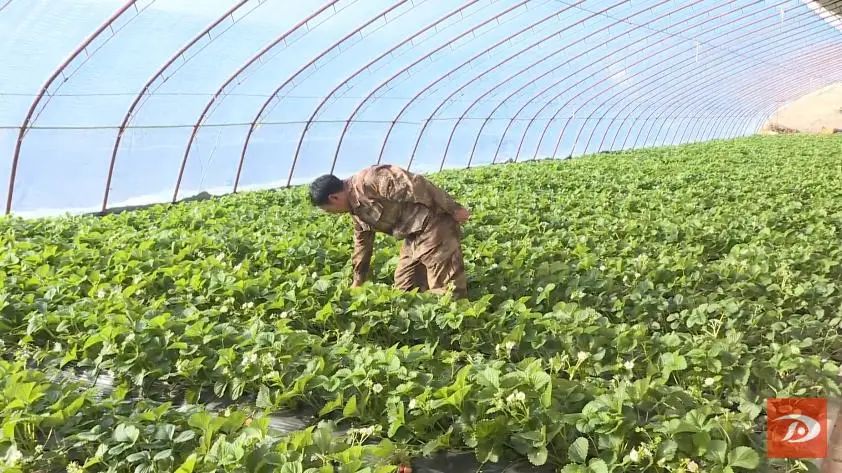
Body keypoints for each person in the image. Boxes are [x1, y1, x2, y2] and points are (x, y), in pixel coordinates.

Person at [309, 164, 470, 299]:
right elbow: (362, 246)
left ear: (333, 198)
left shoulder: (370, 180)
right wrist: (358, 281)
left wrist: (453, 208)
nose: (332, 213)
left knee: (447, 288)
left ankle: (457, 321)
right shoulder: (356, 213)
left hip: (434, 224)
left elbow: (417, 184)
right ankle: (427, 319)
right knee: (405, 285)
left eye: (329, 210)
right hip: (413, 234)